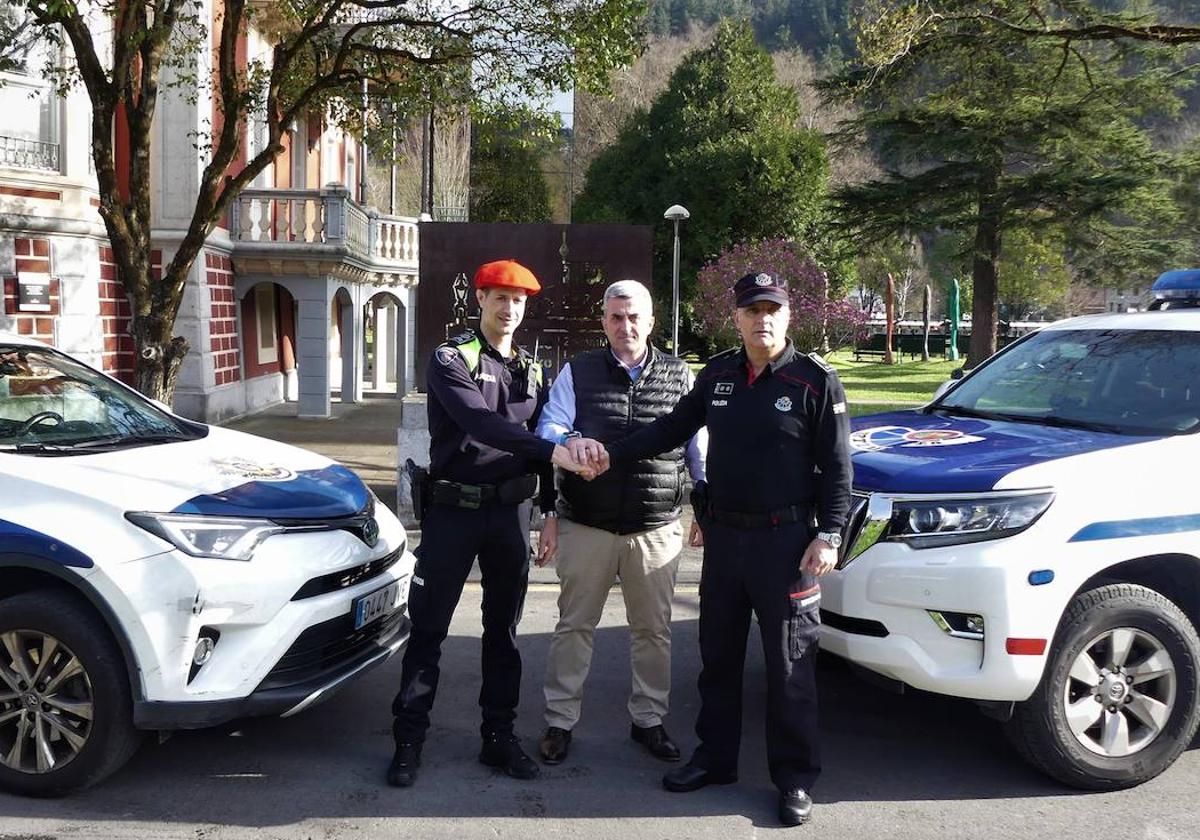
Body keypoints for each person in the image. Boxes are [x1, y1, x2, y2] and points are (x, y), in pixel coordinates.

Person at [589, 271, 852, 827]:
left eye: (772, 309)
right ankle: (716, 759)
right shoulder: (718, 375)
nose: (763, 319)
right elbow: (670, 429)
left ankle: (795, 778)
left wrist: (828, 535)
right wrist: (613, 455)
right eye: (752, 310)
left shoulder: (814, 381)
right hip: (725, 542)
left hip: (788, 546)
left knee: (789, 668)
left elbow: (838, 469)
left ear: (787, 316)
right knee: (719, 659)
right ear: (735, 317)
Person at [387, 259, 593, 788]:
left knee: (503, 632)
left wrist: (549, 513)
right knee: (429, 630)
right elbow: (482, 424)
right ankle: (408, 739)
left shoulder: (534, 368)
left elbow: (544, 440)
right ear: (479, 299)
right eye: (499, 297)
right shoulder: (451, 357)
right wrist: (554, 451)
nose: (509, 308)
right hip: (453, 513)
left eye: (518, 300)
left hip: (510, 517)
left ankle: (498, 738)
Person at [533, 280, 707, 766]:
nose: (625, 325)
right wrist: (573, 440)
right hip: (587, 523)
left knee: (653, 630)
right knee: (574, 626)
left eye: (634, 317)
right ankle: (559, 720)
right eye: (615, 317)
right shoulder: (578, 371)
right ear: (603, 321)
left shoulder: (680, 375)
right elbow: (548, 426)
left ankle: (649, 720)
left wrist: (703, 508)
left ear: (651, 322)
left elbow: (699, 450)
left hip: (655, 526)